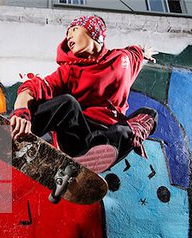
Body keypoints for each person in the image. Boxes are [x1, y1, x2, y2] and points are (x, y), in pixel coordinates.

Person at [10, 15, 158, 173]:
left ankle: (88, 163)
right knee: (68, 103)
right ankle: (9, 133)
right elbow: (32, 88)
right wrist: (21, 112)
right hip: (77, 137)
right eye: (67, 34)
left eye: (74, 30)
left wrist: (143, 52)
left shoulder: (123, 59)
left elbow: (137, 52)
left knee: (148, 115)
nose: (69, 37)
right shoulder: (70, 71)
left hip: (107, 142)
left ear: (93, 33)